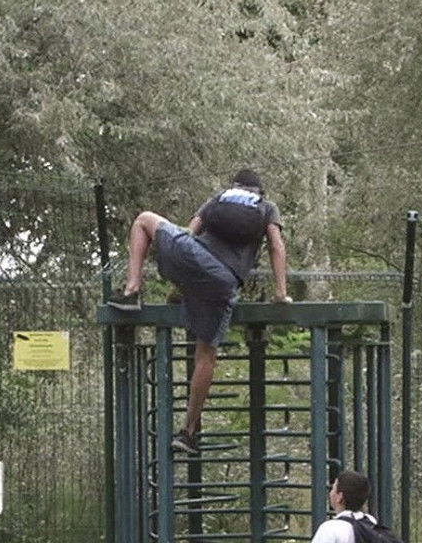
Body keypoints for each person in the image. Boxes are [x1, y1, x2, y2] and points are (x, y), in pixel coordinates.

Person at [107, 168, 291, 455]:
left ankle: (131, 291)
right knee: (206, 355)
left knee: (143, 220)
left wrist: (178, 268)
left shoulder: (219, 198)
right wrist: (281, 293)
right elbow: (276, 247)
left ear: (235, 186)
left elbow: (188, 233)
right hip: (223, 280)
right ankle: (189, 431)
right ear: (260, 191)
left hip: (190, 258)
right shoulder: (267, 208)